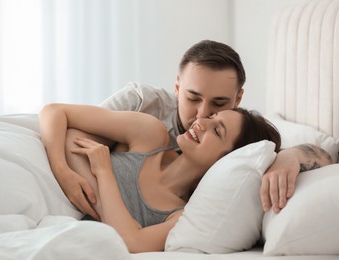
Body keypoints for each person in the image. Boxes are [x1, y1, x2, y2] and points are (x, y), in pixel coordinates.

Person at [65, 39, 333, 220]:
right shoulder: (142, 104)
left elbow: (328, 154)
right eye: (193, 98)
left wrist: (289, 156)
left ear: (238, 99)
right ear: (178, 87)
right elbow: (73, 128)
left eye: (219, 104)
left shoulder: (238, 137)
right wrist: (65, 172)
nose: (202, 115)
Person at [39, 102, 281, 252]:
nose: (201, 122)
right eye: (211, 118)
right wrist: (63, 171)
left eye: (217, 130)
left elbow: (131, 242)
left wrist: (103, 173)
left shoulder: (180, 216)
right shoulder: (150, 135)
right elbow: (56, 113)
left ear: (227, 160)